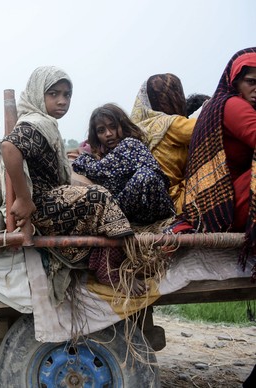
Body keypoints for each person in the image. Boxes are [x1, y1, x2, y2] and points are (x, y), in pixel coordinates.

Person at [0, 66, 147, 295]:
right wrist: (24, 199)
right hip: (39, 207)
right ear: (38, 93)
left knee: (99, 194)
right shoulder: (34, 123)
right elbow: (9, 148)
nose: (62, 101)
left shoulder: (43, 122)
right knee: (99, 198)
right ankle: (114, 269)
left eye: (67, 95)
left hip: (47, 201)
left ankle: (103, 260)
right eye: (54, 94)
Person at [183, 47, 256, 281]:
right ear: (235, 82)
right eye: (251, 82)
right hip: (223, 209)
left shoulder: (219, 103)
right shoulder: (234, 106)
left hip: (211, 206)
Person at [72, 103, 174, 225]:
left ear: (122, 126)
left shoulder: (130, 145)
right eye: (101, 130)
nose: (108, 134)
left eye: (113, 127)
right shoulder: (106, 155)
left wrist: (82, 156)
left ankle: (112, 221)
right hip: (134, 213)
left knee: (145, 175)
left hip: (155, 207)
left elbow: (97, 170)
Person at [130, 73, 197, 215]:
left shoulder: (139, 126)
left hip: (148, 204)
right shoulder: (171, 124)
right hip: (175, 200)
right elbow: (211, 126)